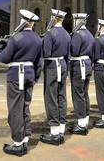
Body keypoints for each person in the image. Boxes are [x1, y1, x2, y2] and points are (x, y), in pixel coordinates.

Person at [0, 10, 42, 157]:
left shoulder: (16, 38)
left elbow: (4, 58)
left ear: (23, 21)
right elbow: (39, 62)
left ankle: (18, 143)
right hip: (29, 75)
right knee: (25, 107)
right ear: (32, 23)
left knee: (15, 109)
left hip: (16, 75)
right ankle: (25, 137)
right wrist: (36, 77)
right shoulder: (37, 39)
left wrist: (1, 48)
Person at [40, 9, 71, 146]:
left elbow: (46, 53)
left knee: (51, 96)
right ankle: (62, 127)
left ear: (53, 18)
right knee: (61, 95)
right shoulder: (67, 34)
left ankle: (54, 132)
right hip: (63, 65)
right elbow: (68, 55)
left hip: (52, 66)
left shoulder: (50, 33)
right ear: (62, 19)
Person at [68, 13, 94, 136]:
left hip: (79, 66)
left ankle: (81, 125)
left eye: (75, 20)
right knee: (84, 93)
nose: (73, 22)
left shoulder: (77, 35)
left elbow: (74, 51)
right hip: (88, 65)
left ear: (78, 21)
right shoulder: (89, 34)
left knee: (78, 94)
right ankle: (85, 119)